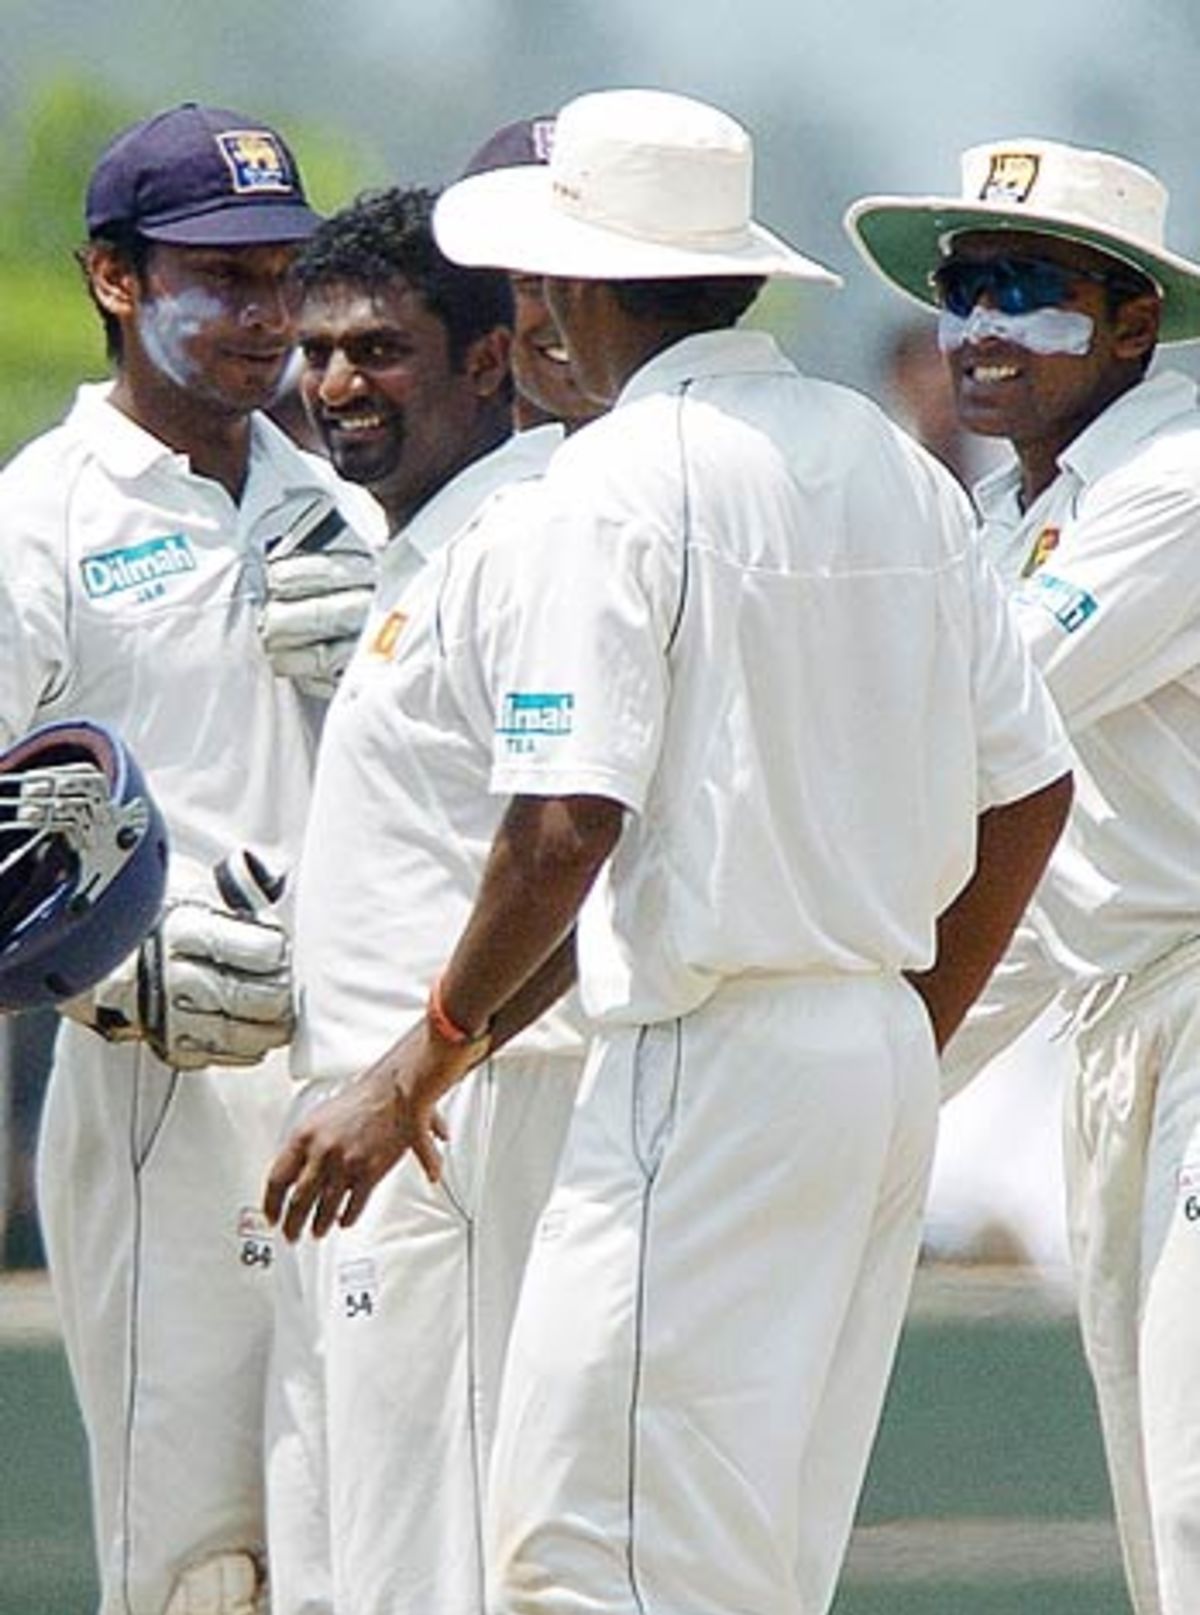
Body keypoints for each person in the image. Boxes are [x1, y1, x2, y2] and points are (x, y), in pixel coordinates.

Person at [265, 88, 1073, 1615]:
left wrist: (414, 1064)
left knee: (585, 1557)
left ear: (573, 294)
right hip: (872, 1069)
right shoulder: (884, 457)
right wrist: (904, 1021)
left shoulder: (615, 484)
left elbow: (568, 819)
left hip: (705, 1058)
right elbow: (1029, 790)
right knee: (748, 1561)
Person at [0, 103, 384, 1615]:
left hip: (358, 1074)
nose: (261, 319)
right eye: (216, 278)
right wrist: (102, 978)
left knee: (355, 1536)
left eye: (281, 275)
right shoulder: (40, 518)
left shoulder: (339, 498)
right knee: (196, 1561)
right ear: (114, 281)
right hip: (164, 1078)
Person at [846, 135, 1200, 1615]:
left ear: (1131, 323)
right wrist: (864, 1078)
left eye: (1026, 290)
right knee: (1147, 1492)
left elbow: (967, 725)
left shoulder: (1177, 480)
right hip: (1120, 1021)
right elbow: (1025, 881)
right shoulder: (1004, 518)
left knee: (1194, 1488)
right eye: (961, 289)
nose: (980, 329)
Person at [265, 178, 597, 1615]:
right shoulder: (422, 549)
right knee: (374, 1560)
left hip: (450, 1124)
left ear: (487, 355)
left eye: (381, 350)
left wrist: (414, 1075)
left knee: (439, 1569)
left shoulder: (518, 543)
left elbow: (576, 841)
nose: (338, 385)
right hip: (375, 1127)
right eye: (319, 349)